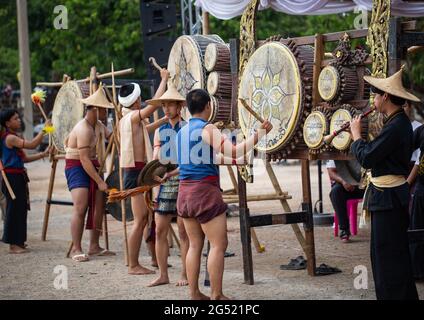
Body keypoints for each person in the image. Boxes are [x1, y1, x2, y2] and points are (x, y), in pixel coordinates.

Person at [171, 89, 272, 300]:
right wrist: (260, 134)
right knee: (218, 244)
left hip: (184, 192)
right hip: (204, 192)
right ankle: (217, 294)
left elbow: (198, 159)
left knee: (194, 245)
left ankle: (194, 293)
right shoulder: (208, 128)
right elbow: (234, 151)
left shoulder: (181, 132)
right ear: (208, 106)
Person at [350, 67, 419, 300]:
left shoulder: (397, 125)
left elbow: (368, 157)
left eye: (376, 96)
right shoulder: (396, 122)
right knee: (386, 257)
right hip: (387, 198)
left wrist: (356, 136)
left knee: (388, 259)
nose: (374, 101)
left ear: (386, 97)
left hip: (388, 199)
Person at [118, 69, 169, 275]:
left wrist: (164, 120)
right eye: (140, 98)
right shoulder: (131, 117)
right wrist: (164, 79)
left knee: (143, 219)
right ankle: (133, 265)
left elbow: (146, 130)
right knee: (139, 221)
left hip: (136, 170)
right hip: (133, 171)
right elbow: (154, 104)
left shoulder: (129, 119)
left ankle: (141, 261)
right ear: (136, 100)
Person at [143, 85, 189, 287]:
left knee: (183, 231)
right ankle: (163, 274)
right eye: (163, 104)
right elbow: (155, 159)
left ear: (179, 106)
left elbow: (188, 162)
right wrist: (154, 174)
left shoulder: (188, 128)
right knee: (160, 229)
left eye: (169, 104)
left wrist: (170, 172)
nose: (166, 108)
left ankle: (186, 275)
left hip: (184, 182)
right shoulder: (160, 131)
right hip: (164, 184)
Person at [65, 86, 115, 262]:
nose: (106, 112)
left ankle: (94, 246)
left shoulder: (99, 125)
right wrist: (99, 182)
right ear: (95, 109)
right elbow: (84, 160)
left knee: (99, 205)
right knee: (81, 205)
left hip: (93, 165)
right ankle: (76, 248)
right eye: (104, 109)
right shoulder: (83, 129)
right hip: (77, 165)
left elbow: (114, 138)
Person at [0, 108, 51, 254]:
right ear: (7, 123)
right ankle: (13, 245)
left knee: (21, 209)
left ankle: (19, 242)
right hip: (11, 178)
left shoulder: (13, 136)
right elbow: (32, 145)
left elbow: (25, 159)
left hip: (18, 176)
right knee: (13, 209)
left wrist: (43, 154)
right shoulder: (9, 138)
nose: (19, 120)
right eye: (15, 118)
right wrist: (45, 129)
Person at [327, 160, 364, 242]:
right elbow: (331, 172)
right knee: (335, 192)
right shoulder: (336, 148)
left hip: (364, 184)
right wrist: (343, 181)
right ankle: (344, 229)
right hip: (346, 185)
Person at [407, 125, 424, 280]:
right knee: (417, 229)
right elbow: (407, 147)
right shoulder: (421, 131)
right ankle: (417, 271)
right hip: (422, 188)